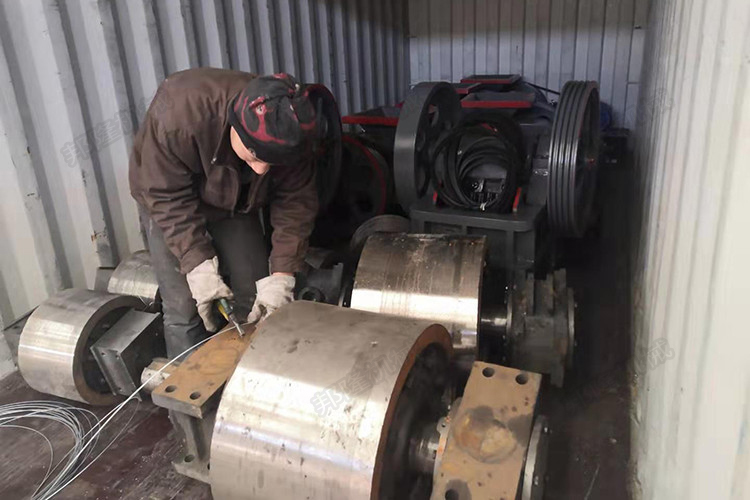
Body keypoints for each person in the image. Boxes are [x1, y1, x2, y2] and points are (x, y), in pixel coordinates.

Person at [129, 68, 318, 357]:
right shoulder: (180, 114)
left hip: (235, 201)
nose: (261, 170)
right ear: (236, 125)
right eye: (255, 155)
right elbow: (165, 195)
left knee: (254, 292)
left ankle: (246, 374)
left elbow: (296, 204)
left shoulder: (295, 135)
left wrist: (282, 275)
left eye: (272, 162)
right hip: (168, 201)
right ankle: (185, 382)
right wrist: (197, 264)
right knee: (184, 305)